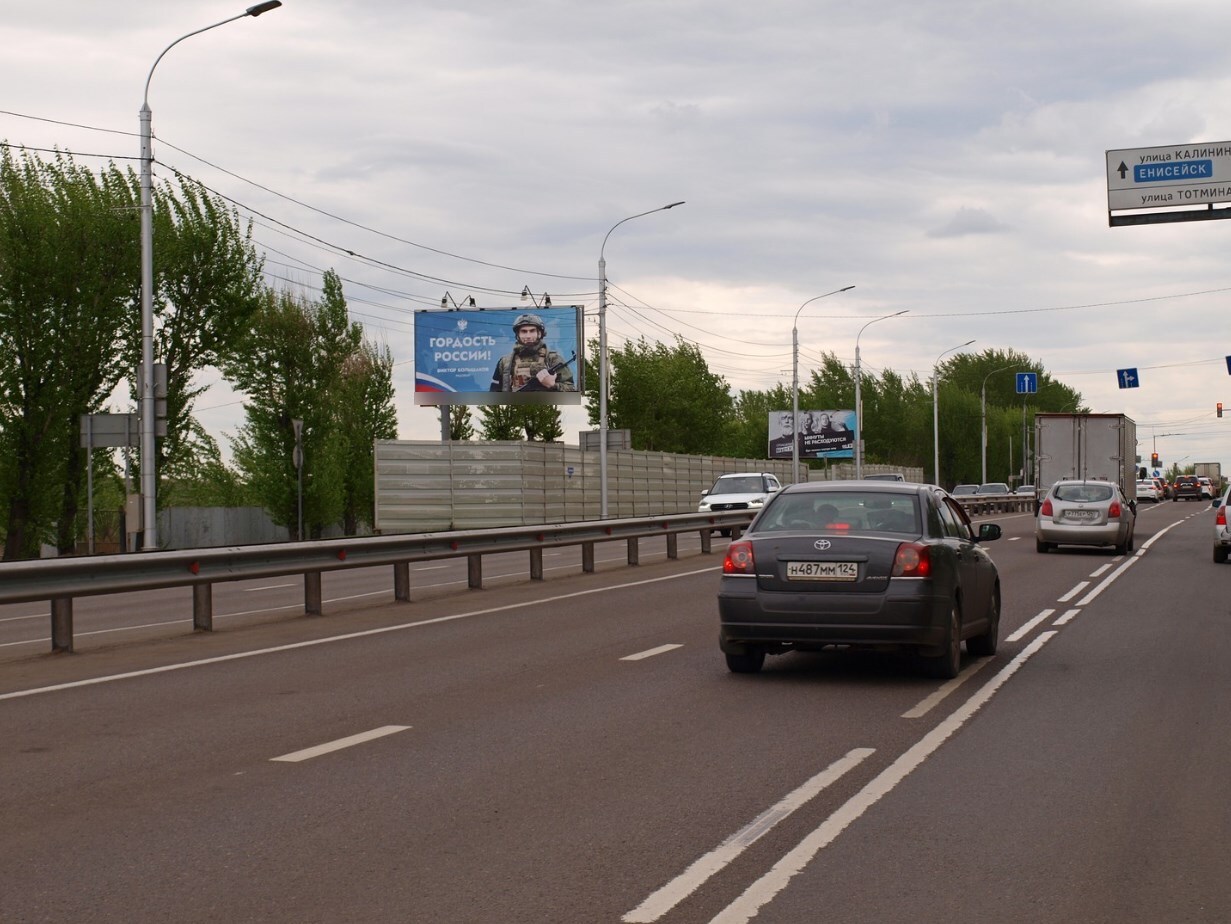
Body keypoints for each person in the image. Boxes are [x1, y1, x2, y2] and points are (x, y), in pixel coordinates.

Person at [489, 313, 576, 392]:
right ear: (518, 335)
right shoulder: (505, 362)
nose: (528, 336)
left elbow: (572, 392)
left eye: (532, 331)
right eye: (524, 331)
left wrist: (553, 385)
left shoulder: (553, 359)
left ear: (539, 333)